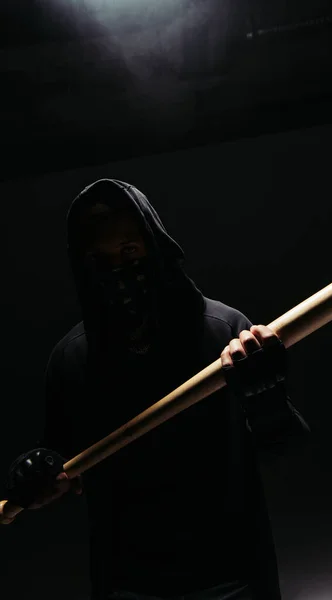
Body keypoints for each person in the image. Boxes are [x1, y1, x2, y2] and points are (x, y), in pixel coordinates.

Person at [3, 179, 310, 600]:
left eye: (130, 249)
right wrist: (36, 471)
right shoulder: (71, 358)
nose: (119, 267)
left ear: (155, 244)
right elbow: (61, 461)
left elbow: (286, 449)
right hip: (128, 584)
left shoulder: (227, 333)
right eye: (101, 257)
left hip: (231, 576)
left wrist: (267, 398)